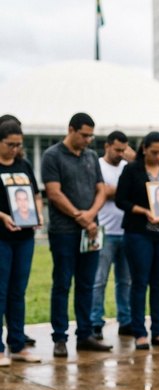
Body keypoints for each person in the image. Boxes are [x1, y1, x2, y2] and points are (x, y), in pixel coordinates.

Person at [42, 112, 112, 358]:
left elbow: (101, 190)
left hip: (90, 231)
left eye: (91, 136)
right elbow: (54, 192)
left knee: (86, 284)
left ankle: (85, 334)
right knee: (62, 284)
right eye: (84, 135)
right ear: (71, 130)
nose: (88, 140)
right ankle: (60, 337)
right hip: (64, 232)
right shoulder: (52, 156)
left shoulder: (91, 156)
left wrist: (90, 215)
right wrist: (78, 216)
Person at [116, 131, 159, 350]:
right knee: (139, 282)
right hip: (139, 233)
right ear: (144, 149)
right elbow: (120, 200)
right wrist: (144, 211)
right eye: (155, 152)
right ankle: (139, 332)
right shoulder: (131, 170)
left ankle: (158, 330)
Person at [0, 121, 43, 365]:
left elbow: (36, 195)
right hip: (2, 237)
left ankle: (17, 344)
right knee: (1, 291)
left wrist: (37, 214)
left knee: (18, 292)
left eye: (19, 145)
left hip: (24, 238)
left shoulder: (24, 165)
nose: (15, 149)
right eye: (10, 144)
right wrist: (3, 216)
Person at [90, 130, 132, 340]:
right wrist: (119, 191)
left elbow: (131, 192)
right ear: (107, 146)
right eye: (117, 149)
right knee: (99, 280)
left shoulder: (127, 167)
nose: (121, 154)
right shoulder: (97, 165)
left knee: (125, 281)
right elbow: (100, 192)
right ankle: (95, 321)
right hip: (103, 231)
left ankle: (125, 320)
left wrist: (112, 191)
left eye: (124, 150)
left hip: (126, 231)